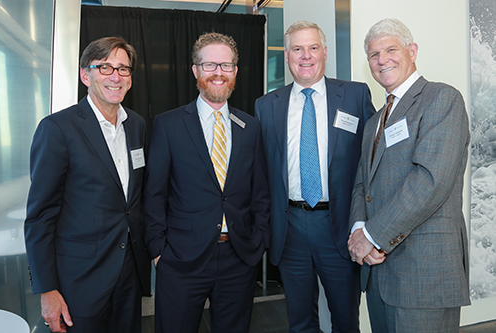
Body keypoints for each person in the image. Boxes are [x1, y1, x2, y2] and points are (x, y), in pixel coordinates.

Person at [348, 18, 471, 332]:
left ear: (412, 51)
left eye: (391, 49)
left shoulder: (442, 99)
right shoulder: (374, 120)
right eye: (374, 55)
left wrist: (372, 236)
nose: (382, 60)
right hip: (378, 274)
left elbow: (430, 181)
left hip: (423, 274)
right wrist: (359, 229)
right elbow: (363, 182)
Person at [143, 32, 270, 333]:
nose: (218, 73)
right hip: (180, 259)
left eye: (226, 65)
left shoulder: (250, 127)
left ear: (235, 72)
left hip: (238, 258)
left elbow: (260, 192)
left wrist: (259, 240)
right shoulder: (169, 124)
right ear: (196, 70)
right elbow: (153, 193)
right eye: (210, 64)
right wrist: (158, 251)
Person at [255, 20, 375, 332]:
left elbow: (375, 160)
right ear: (287, 54)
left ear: (324, 52)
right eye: (297, 48)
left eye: (312, 48)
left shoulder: (354, 96)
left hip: (339, 227)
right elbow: (260, 171)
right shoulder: (266, 105)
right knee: (299, 321)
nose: (305, 55)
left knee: (345, 321)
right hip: (290, 229)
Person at [24, 36, 151, 333]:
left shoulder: (137, 125)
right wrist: (47, 289)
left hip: (129, 273)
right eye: (105, 67)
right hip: (78, 281)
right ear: (86, 75)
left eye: (123, 69)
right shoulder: (57, 129)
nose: (116, 76)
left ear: (130, 79)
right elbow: (40, 217)